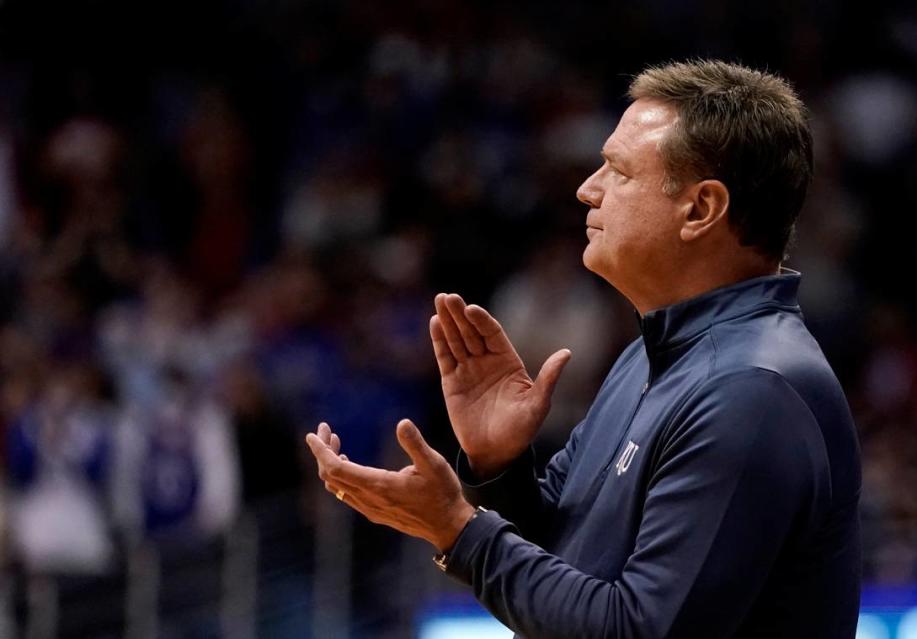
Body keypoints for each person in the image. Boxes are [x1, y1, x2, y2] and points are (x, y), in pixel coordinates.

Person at [306, 59, 862, 638]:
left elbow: (640, 630)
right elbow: (567, 561)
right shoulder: (654, 355)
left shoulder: (751, 390)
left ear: (700, 209)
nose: (587, 189)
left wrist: (458, 530)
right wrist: (501, 470)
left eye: (617, 171)